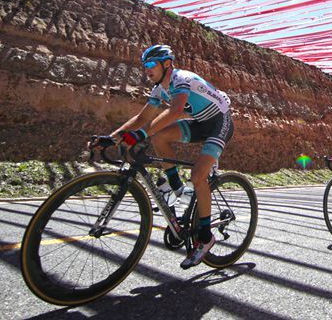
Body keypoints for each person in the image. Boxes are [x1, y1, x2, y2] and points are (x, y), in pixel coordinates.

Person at [90, 44, 233, 269]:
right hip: (199, 122)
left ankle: (206, 238)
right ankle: (177, 188)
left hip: (219, 122)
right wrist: (112, 138)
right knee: (160, 138)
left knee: (198, 176)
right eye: (144, 65)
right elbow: (141, 118)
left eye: (150, 64)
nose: (146, 69)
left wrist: (141, 134)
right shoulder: (159, 88)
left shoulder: (182, 79)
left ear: (167, 64)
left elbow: (175, 111)